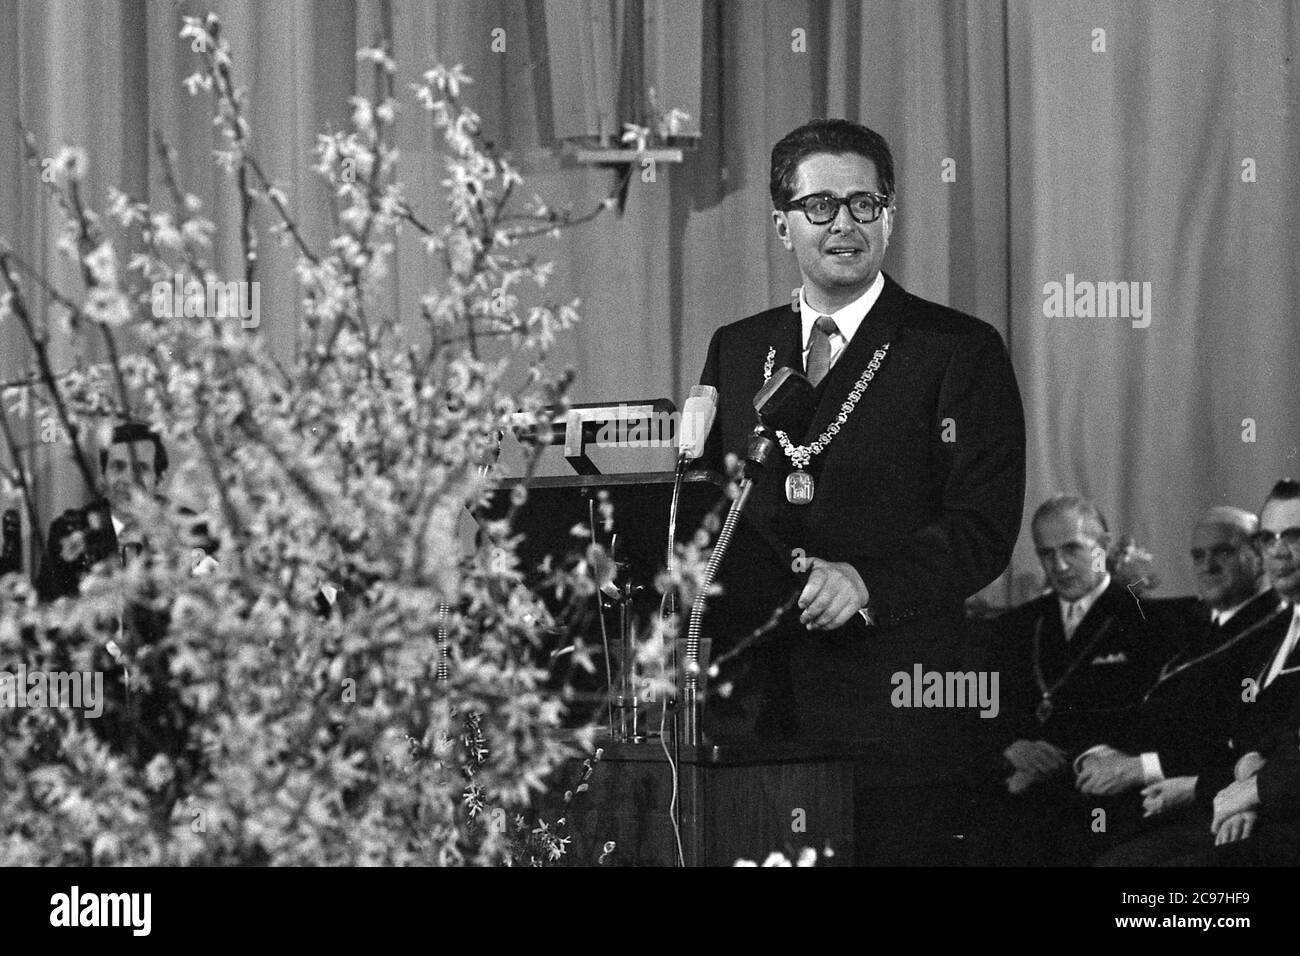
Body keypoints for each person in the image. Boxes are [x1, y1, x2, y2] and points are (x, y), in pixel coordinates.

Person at [696, 118, 1026, 865]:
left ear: (890, 214)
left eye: (864, 204)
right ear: (782, 224)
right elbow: (716, 515)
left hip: (900, 713)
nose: (844, 224)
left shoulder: (958, 349)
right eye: (819, 207)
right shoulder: (738, 347)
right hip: (758, 715)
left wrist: (867, 582)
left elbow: (983, 526)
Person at [1098, 479, 1300, 865]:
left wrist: (1249, 791)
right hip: (1233, 797)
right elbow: (1252, 737)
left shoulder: (1265, 626)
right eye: (1268, 538)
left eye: (1293, 535)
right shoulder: (1276, 630)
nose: (1278, 551)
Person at [969, 495, 1175, 865]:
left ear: (1105, 546)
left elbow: (1149, 718)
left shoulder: (1148, 621)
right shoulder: (1016, 625)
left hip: (1099, 795)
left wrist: (1064, 757)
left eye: (1072, 550)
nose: (1058, 566)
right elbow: (984, 705)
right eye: (1046, 554)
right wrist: (1010, 746)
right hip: (1017, 789)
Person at [35, 420, 171, 601]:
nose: (128, 479)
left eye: (140, 469)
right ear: (104, 476)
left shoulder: (190, 528)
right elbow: (50, 609)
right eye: (118, 467)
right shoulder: (69, 531)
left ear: (160, 479)